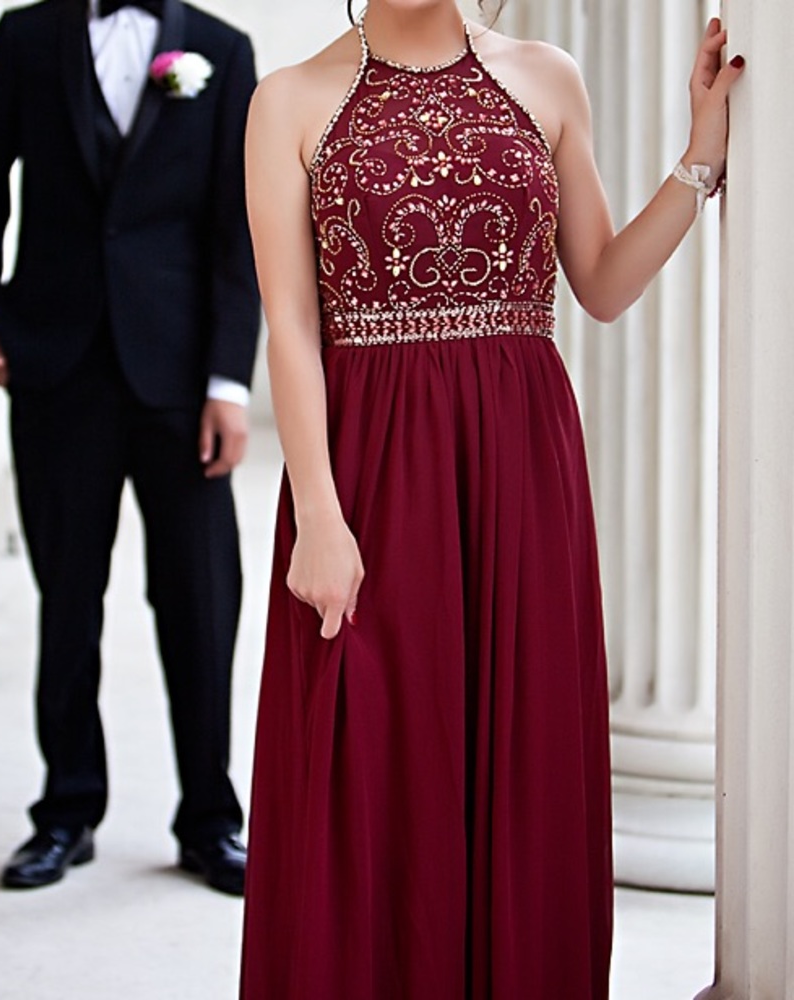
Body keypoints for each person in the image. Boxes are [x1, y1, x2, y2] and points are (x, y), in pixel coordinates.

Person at [240, 0, 743, 994]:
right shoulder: (286, 101)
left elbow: (598, 281)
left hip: (519, 470)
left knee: (522, 759)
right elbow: (291, 325)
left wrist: (701, 155)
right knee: (373, 776)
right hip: (366, 478)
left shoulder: (546, 75)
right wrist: (320, 518)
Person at [0, 0, 260, 896]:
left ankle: (210, 818)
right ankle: (65, 812)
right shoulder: (24, 38)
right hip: (56, 371)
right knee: (68, 600)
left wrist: (229, 383)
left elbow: (239, 229)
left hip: (182, 382)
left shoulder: (220, 52)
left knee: (200, 604)